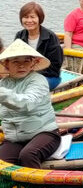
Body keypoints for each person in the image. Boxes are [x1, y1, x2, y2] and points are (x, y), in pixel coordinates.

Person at [0, 39, 60, 168]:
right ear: (6, 65)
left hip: (44, 133)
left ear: (33, 64)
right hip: (14, 138)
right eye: (15, 61)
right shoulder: (3, 84)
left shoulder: (39, 80)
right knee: (2, 162)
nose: (21, 66)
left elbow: (27, 103)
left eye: (26, 61)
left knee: (28, 155)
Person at [15, 1, 63, 90]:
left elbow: (55, 66)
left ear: (39, 18)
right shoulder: (19, 36)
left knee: (29, 87)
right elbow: (14, 59)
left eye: (32, 17)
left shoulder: (51, 37)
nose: (29, 20)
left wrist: (31, 73)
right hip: (24, 74)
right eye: (25, 17)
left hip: (49, 77)